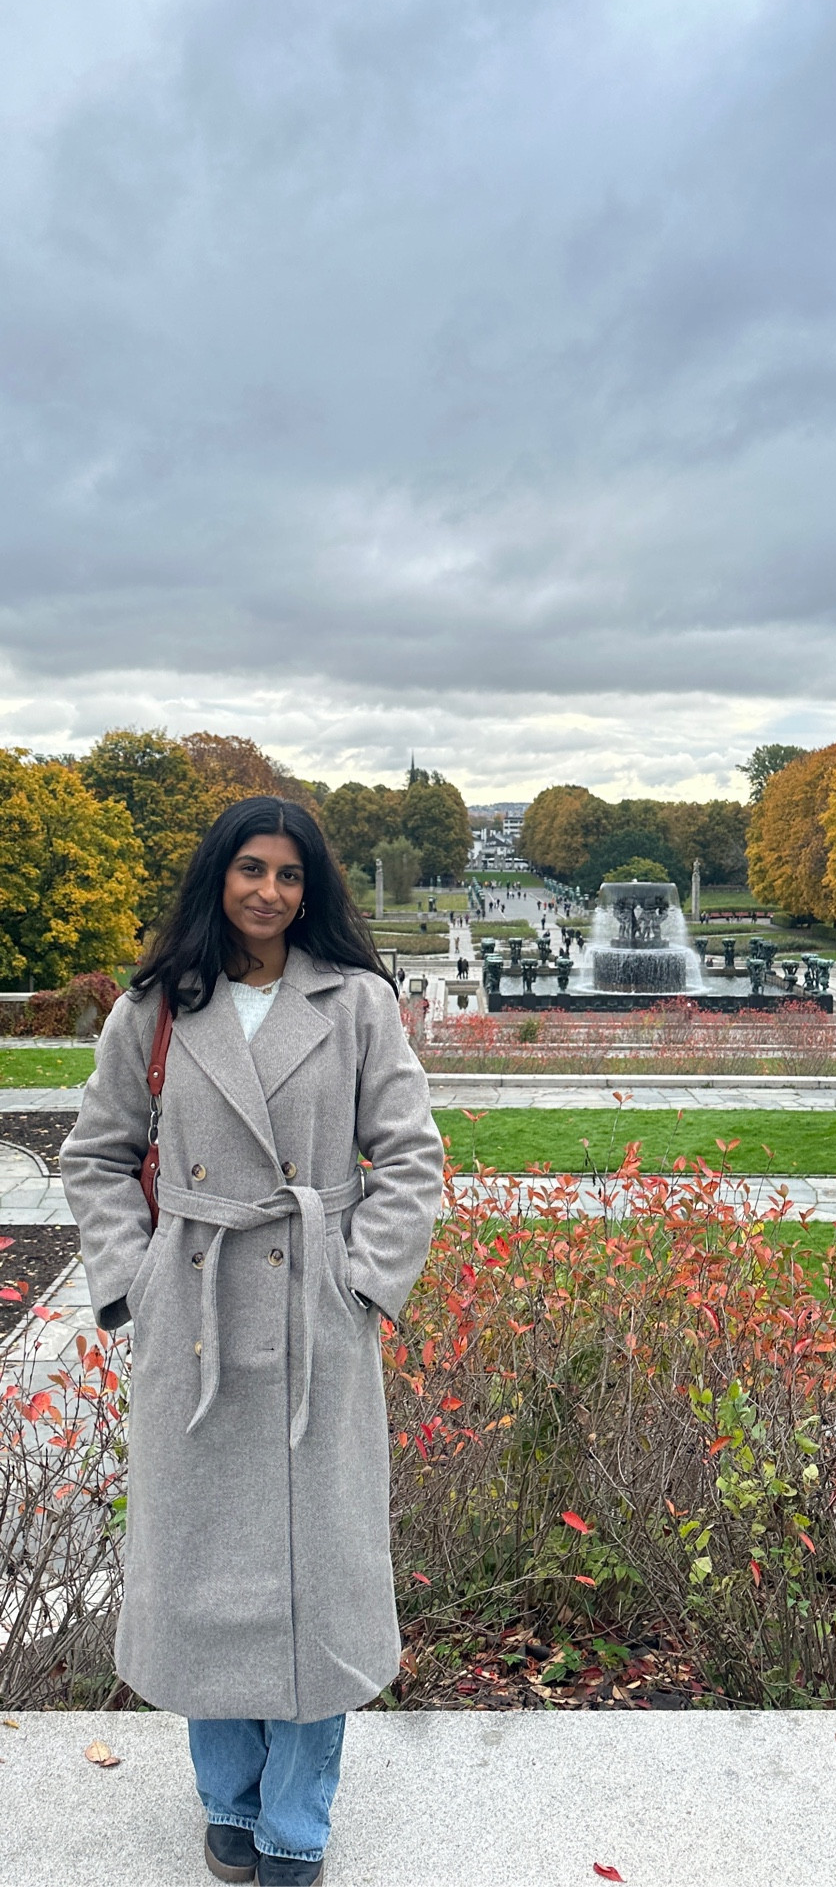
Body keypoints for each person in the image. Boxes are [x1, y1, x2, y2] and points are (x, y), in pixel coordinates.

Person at [61, 797, 443, 1887]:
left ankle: (294, 1829)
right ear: (216, 877)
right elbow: (96, 1155)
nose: (268, 892)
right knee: (201, 1574)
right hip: (196, 1323)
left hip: (314, 1320)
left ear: (310, 889)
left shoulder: (359, 1003)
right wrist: (133, 1284)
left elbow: (410, 1159)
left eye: (289, 875)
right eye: (250, 870)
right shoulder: (157, 1009)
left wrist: (359, 1286)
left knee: (316, 1578)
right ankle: (224, 1802)